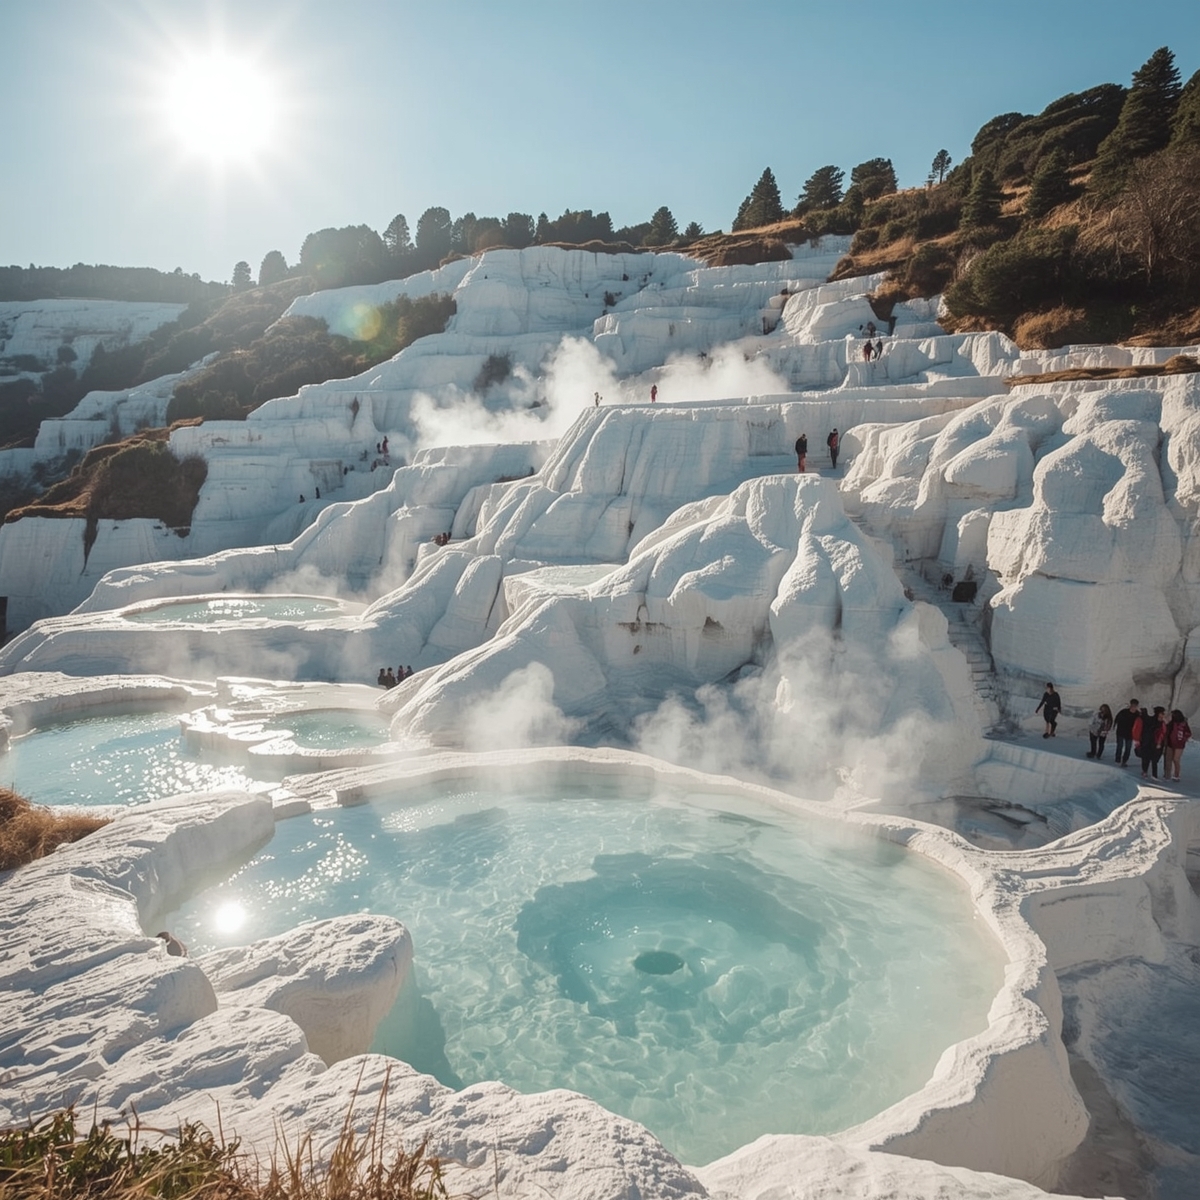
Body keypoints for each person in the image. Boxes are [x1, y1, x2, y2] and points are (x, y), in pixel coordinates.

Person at [1138, 706, 1167, 778]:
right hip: (1153, 743)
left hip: (1149, 742)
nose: (1163, 715)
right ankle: (1152, 774)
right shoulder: (1159, 723)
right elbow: (1162, 733)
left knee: (1148, 758)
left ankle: (1147, 772)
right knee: (1152, 759)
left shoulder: (1153, 721)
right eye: (1162, 713)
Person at [1164, 709, 1192, 781]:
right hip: (1170, 743)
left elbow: (1188, 733)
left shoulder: (1183, 724)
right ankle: (1167, 775)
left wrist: (1183, 739)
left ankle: (1176, 775)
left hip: (1179, 744)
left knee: (1176, 759)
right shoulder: (1171, 723)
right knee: (1168, 759)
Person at [1113, 698, 1139, 766]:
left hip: (1130, 734)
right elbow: (1117, 719)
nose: (1134, 707)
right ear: (1130, 705)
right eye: (1133, 706)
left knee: (1128, 748)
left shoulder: (1138, 714)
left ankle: (1124, 761)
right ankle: (1117, 759)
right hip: (1121, 732)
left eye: (1135, 706)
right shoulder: (1124, 712)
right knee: (1120, 746)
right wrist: (1114, 725)